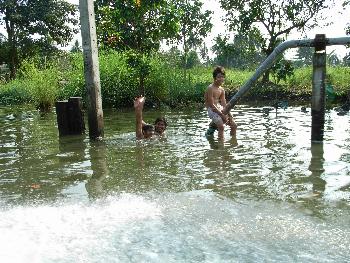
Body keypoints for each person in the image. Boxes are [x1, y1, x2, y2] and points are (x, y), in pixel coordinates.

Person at [204, 66, 237, 139]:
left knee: (234, 125)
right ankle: (221, 148)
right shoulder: (210, 88)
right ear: (215, 78)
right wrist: (222, 115)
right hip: (211, 110)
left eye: (222, 77)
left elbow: (224, 104)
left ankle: (233, 143)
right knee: (221, 127)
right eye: (219, 77)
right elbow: (211, 105)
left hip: (219, 108)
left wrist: (229, 114)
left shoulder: (221, 89)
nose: (221, 79)